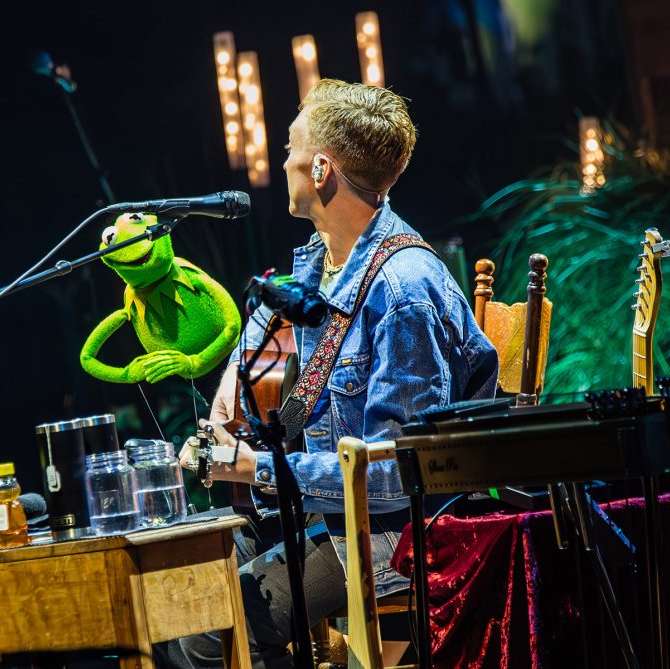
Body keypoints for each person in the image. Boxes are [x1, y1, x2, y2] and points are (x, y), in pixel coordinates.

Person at [174, 79, 498, 669]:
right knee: (180, 591)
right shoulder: (325, 260)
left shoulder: (404, 291)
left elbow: (395, 475)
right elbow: (267, 317)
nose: (285, 158)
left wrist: (257, 467)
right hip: (326, 511)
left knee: (214, 633)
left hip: (393, 535)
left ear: (321, 167)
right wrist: (230, 386)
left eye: (292, 145)